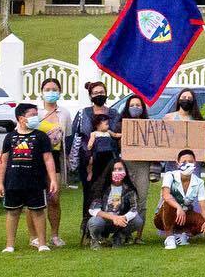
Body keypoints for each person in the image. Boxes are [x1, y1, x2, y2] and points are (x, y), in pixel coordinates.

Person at [0, 104, 58, 253]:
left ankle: (42, 243)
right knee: (12, 213)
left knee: (38, 212)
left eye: (37, 114)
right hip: (13, 182)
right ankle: (9, 245)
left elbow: (48, 159)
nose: (36, 117)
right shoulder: (10, 137)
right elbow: (3, 161)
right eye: (32, 114)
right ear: (21, 118)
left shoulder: (41, 136)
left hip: (35, 182)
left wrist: (53, 179)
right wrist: (0, 182)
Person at [71, 81, 120, 224]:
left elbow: (118, 135)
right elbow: (76, 136)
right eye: (96, 93)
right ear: (90, 95)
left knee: (109, 193)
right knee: (90, 193)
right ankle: (87, 227)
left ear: (106, 93)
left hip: (110, 159)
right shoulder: (83, 114)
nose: (99, 95)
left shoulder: (114, 114)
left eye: (101, 92)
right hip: (89, 160)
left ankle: (106, 228)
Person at [34, 78, 68, 248]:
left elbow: (68, 139)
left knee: (54, 198)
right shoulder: (35, 112)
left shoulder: (64, 113)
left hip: (54, 158)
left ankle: (55, 234)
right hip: (35, 158)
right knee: (35, 198)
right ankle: (34, 236)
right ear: (41, 92)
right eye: (47, 89)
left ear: (60, 92)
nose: (51, 92)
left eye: (54, 89)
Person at [157, 149, 205, 249]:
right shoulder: (170, 175)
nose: (187, 164)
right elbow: (166, 195)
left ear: (195, 163)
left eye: (190, 162)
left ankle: (183, 235)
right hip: (164, 215)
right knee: (169, 203)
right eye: (184, 162)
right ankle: (169, 237)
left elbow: (203, 205)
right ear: (178, 164)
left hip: (185, 214)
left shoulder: (199, 182)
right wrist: (178, 207)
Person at [86, 158, 143, 248]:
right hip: (104, 220)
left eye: (120, 169)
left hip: (121, 222)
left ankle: (118, 237)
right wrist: (114, 218)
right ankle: (96, 240)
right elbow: (93, 210)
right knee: (94, 222)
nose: (117, 172)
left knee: (138, 220)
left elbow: (134, 209)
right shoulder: (101, 187)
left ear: (125, 171)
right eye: (114, 169)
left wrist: (123, 217)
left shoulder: (129, 189)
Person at [119, 94, 154, 220]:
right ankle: (124, 232)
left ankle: (138, 235)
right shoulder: (120, 125)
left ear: (143, 108)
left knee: (141, 199)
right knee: (125, 199)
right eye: (132, 105)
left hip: (143, 167)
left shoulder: (150, 126)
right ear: (127, 108)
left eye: (138, 105)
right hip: (126, 165)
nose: (135, 107)